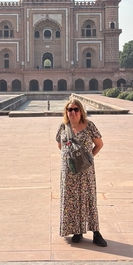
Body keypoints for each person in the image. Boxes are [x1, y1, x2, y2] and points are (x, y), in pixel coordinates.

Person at [56, 97, 107, 246]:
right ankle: (77, 231)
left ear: (81, 111)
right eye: (70, 109)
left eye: (76, 109)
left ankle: (96, 232)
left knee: (88, 199)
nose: (73, 112)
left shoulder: (89, 125)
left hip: (85, 171)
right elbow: (60, 145)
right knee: (71, 201)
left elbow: (99, 144)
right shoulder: (63, 127)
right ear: (66, 112)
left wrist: (88, 158)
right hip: (69, 172)